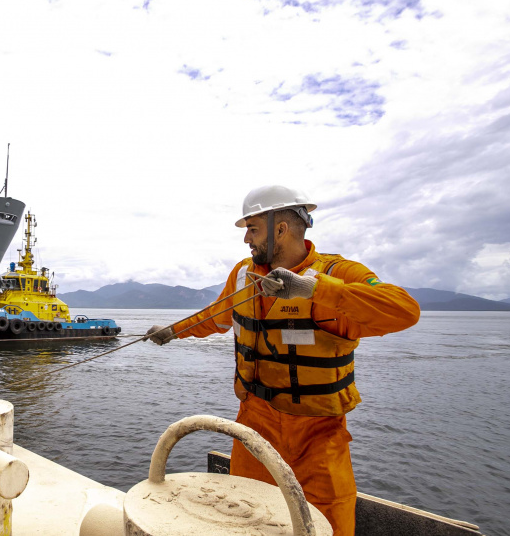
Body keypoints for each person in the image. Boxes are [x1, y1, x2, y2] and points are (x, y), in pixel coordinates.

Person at [146, 185, 420, 535]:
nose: (246, 238)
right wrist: (173, 330)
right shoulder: (243, 274)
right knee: (245, 519)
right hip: (255, 425)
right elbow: (216, 315)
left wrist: (314, 289)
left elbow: (405, 310)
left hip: (319, 435)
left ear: (281, 228)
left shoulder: (340, 273)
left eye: (252, 228)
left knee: (330, 524)